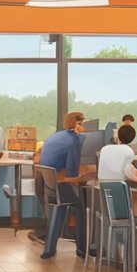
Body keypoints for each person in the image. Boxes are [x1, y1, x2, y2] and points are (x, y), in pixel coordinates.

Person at [39, 111, 87, 260]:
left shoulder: (55, 136)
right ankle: (82, 249)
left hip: (50, 185)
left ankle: (50, 248)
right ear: (78, 124)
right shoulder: (73, 141)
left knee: (62, 204)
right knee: (80, 207)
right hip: (60, 186)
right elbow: (72, 173)